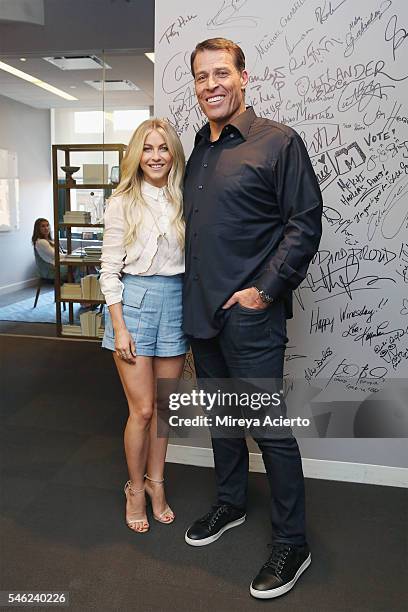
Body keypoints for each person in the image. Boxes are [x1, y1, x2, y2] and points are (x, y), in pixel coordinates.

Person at [182, 38, 323, 599]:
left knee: (269, 430)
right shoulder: (197, 149)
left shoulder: (278, 142)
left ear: (244, 77)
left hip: (250, 319)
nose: (211, 85)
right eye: (201, 77)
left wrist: (262, 293)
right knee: (222, 421)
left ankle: (294, 542)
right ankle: (231, 505)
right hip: (201, 314)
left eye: (221, 73)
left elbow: (304, 222)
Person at [99, 119, 188, 534]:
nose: (156, 156)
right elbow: (109, 273)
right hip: (133, 304)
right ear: (137, 154)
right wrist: (119, 327)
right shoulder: (122, 202)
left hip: (176, 301)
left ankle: (157, 484)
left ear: (174, 154)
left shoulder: (183, 198)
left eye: (164, 148)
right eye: (148, 148)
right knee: (145, 409)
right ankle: (134, 488)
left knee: (166, 411)